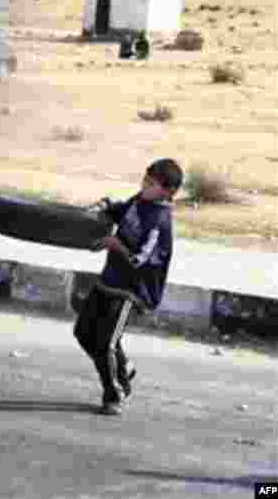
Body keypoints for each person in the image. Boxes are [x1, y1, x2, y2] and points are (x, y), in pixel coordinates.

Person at [75, 158, 184, 416]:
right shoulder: (141, 201)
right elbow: (121, 210)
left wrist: (116, 245)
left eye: (151, 183)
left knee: (106, 343)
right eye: (144, 180)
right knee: (83, 333)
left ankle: (116, 393)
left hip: (131, 290)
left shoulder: (160, 222)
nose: (144, 185)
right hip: (108, 279)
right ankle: (124, 368)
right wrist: (102, 207)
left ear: (167, 191)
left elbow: (139, 260)